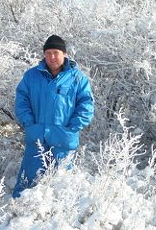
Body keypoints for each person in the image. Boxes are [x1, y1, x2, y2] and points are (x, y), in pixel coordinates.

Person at [12, 34, 94, 198]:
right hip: (37, 139)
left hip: (63, 141)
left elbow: (86, 106)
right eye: (48, 53)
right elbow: (21, 101)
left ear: (64, 54)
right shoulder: (31, 76)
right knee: (28, 185)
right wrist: (29, 124)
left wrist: (72, 128)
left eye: (56, 52)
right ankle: (18, 217)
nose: (52, 57)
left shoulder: (77, 79)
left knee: (61, 187)